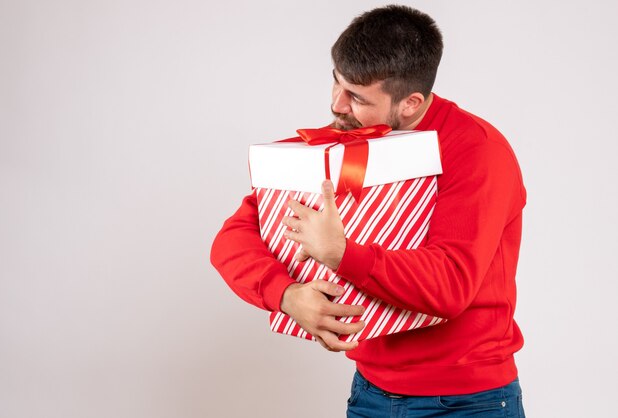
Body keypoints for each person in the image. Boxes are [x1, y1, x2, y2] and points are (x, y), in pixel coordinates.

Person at [210, 4, 527, 417]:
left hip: (467, 402)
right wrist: (286, 295)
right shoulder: (344, 145)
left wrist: (339, 253)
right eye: (336, 83)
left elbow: (450, 285)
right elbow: (233, 237)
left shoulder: (477, 151)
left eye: (357, 97)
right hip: (370, 393)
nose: (338, 105)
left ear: (410, 102)